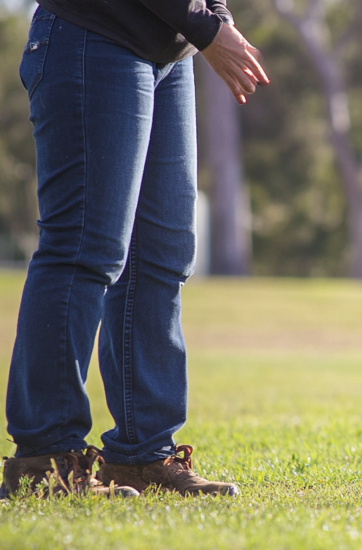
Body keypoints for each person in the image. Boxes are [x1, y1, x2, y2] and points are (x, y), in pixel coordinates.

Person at [1, 0, 269, 499]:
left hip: (170, 55)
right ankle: (45, 459)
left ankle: (142, 456)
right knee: (84, 249)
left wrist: (218, 20)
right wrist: (208, 28)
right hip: (92, 35)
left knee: (160, 258)